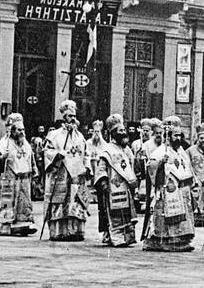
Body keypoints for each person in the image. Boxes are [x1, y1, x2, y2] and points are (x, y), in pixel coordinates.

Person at [143, 116, 196, 252]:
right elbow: (151, 166)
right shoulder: (161, 151)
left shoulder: (181, 152)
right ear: (168, 136)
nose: (178, 138)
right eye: (175, 135)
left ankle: (181, 239)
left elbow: (188, 167)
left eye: (180, 135)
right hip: (167, 190)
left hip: (182, 190)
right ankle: (164, 239)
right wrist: (160, 162)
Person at [42, 100, 89, 241]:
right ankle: (58, 231)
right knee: (59, 201)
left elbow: (86, 153)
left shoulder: (80, 137)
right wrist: (57, 155)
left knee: (75, 201)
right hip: (60, 173)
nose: (72, 119)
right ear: (64, 117)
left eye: (74, 115)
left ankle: (74, 231)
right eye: (69, 116)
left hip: (76, 176)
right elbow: (46, 152)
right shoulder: (54, 135)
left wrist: (87, 167)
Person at [92, 114, 138, 247]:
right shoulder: (107, 150)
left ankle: (127, 237)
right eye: (121, 131)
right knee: (112, 212)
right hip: (113, 187)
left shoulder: (127, 149)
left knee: (126, 212)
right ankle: (115, 237)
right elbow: (101, 168)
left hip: (126, 187)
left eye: (124, 130)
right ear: (113, 133)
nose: (124, 133)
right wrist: (103, 182)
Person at [0, 113, 37, 236]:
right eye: (19, 129)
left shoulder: (26, 144)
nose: (22, 132)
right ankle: (6, 226)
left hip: (24, 179)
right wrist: (3, 157)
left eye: (23, 129)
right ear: (12, 131)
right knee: (9, 202)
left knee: (24, 203)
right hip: (10, 177)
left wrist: (34, 171)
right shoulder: (4, 142)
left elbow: (31, 159)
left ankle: (23, 225)